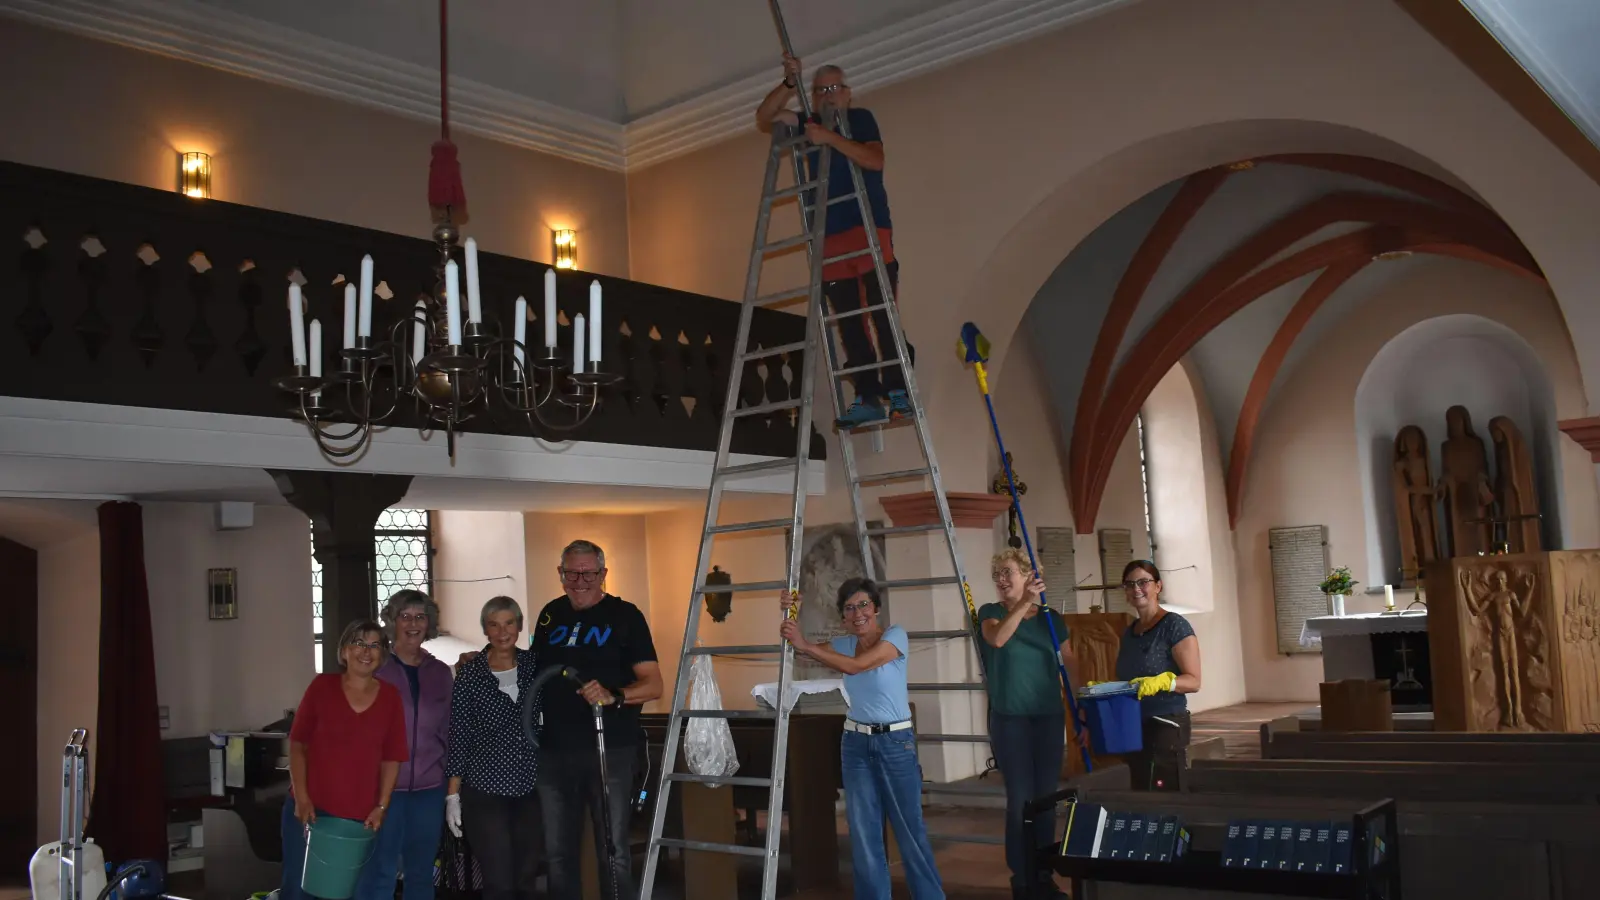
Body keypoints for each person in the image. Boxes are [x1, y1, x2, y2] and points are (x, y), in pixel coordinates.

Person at [755, 54, 913, 429]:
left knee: (880, 309)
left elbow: (874, 160)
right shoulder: (807, 124)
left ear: (847, 93)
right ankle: (869, 396)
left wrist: (830, 138)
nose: (828, 96)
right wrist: (788, 84)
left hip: (869, 226)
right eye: (820, 89)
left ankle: (898, 390)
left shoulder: (859, 120)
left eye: (834, 88)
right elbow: (766, 116)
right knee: (849, 319)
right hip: (829, 235)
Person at [780, 578, 944, 900]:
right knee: (864, 835)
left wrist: (807, 645)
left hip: (895, 743)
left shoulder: (894, 636)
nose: (858, 613)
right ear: (842, 617)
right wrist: (790, 612)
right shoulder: (843, 644)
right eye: (849, 608)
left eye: (863, 605)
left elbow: (856, 667)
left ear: (877, 608)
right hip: (855, 746)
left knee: (910, 832)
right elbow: (799, 654)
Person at [532, 540, 663, 900]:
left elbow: (654, 684)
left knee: (614, 851)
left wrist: (614, 695)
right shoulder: (550, 615)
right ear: (560, 574)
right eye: (571, 572)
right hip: (554, 753)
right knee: (557, 855)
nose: (579, 580)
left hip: (610, 751)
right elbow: (532, 672)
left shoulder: (625, 616)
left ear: (603, 574)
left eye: (588, 573)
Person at [281, 620, 409, 900]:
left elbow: (392, 758)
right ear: (344, 652)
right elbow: (298, 745)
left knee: (352, 892)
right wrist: (302, 799)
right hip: (310, 812)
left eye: (375, 645)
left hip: (359, 819)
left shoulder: (390, 697)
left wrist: (382, 806)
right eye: (359, 643)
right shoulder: (321, 687)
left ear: (382, 655)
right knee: (298, 891)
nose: (367, 651)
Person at [980, 549, 1082, 900]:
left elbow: (1068, 663)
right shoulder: (990, 613)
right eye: (997, 574)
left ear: (1027, 574)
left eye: (1008, 572)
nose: (1001, 579)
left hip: (1048, 717)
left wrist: (1078, 707)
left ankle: (1043, 873)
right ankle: (1021, 877)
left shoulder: (1052, 619)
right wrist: (1024, 602)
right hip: (1011, 721)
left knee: (1045, 798)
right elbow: (998, 639)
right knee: (1020, 800)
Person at [357, 591, 454, 900]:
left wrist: (452, 789)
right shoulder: (376, 669)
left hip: (429, 788)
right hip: (385, 791)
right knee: (380, 873)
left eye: (420, 617)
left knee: (422, 874)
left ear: (430, 624)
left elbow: (449, 730)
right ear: (393, 622)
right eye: (405, 616)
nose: (413, 624)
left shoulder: (440, 672)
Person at [444, 597, 542, 900]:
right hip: (486, 790)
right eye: (494, 624)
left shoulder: (535, 666)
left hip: (531, 788)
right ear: (485, 630)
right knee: (499, 881)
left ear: (520, 625)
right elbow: (459, 735)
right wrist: (452, 795)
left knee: (528, 878)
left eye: (509, 623)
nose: (502, 632)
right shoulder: (471, 675)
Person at [1113, 560, 1202, 790]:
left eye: (1144, 582)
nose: (1136, 589)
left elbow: (1193, 681)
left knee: (1165, 792)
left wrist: (1164, 682)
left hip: (1166, 724)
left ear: (1158, 586)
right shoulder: (1129, 632)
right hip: (1134, 725)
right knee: (1140, 790)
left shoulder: (1174, 625)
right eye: (1130, 584)